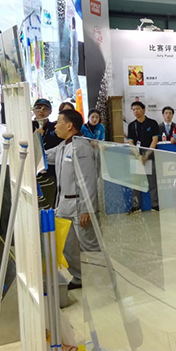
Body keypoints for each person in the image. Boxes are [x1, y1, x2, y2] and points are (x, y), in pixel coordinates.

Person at [46, 109, 100, 290]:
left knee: (89, 246)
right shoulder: (63, 146)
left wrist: (87, 208)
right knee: (68, 246)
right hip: (63, 205)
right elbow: (46, 156)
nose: (55, 125)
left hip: (79, 206)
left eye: (58, 122)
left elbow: (88, 179)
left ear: (69, 126)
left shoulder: (81, 147)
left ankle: (99, 280)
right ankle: (78, 278)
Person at [127, 101, 160, 213]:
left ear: (144, 109)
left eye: (138, 109)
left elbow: (154, 140)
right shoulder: (131, 125)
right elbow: (130, 142)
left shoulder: (152, 123)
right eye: (133, 109)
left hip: (149, 155)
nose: (135, 111)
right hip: (136, 155)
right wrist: (138, 155)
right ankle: (136, 206)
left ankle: (155, 205)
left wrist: (146, 155)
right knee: (135, 182)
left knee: (152, 182)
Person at [33, 98, 63, 209]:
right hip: (31, 174)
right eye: (38, 108)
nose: (41, 111)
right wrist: (35, 137)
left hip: (50, 174)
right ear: (33, 110)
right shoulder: (27, 127)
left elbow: (61, 148)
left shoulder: (55, 128)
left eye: (45, 109)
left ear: (50, 112)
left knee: (48, 206)